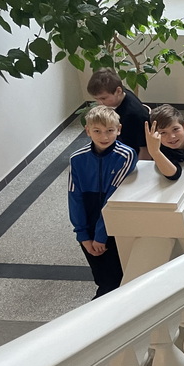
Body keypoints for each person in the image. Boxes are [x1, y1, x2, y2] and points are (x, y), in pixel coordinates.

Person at [68, 105, 138, 298]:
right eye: (97, 131)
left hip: (113, 224)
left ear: (119, 130)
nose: (104, 136)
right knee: (102, 277)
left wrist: (101, 236)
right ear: (87, 130)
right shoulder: (77, 159)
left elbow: (111, 199)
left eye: (109, 130)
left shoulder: (126, 155)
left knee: (118, 278)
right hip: (90, 223)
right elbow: (75, 198)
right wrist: (83, 235)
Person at [87, 68, 150, 156]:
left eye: (103, 98)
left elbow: (145, 149)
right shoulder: (121, 95)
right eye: (96, 99)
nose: (100, 103)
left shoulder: (135, 115)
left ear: (118, 91)